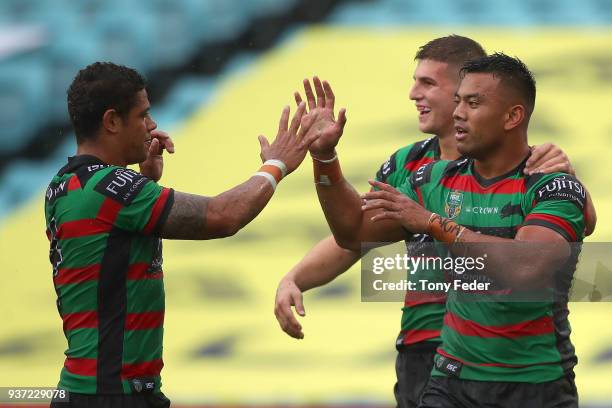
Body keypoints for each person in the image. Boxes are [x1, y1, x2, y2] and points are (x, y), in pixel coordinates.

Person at [274, 36, 596, 408]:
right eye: (459, 100)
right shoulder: (417, 172)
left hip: (526, 371)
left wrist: (431, 222)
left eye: (429, 83)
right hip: (435, 355)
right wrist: (325, 157)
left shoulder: (542, 169)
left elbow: (553, 242)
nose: (413, 93)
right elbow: (353, 235)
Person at [46, 62, 319, 407]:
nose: (152, 125)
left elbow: (110, 240)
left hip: (97, 389)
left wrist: (144, 181)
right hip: (112, 394)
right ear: (112, 121)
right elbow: (223, 216)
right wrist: (276, 166)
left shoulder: (64, 185)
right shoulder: (109, 190)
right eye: (143, 115)